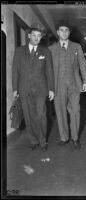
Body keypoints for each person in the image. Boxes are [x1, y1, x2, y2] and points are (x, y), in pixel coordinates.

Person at [12, 23, 54, 151]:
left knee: (41, 114)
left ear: (41, 38)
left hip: (41, 89)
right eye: (34, 35)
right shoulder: (19, 51)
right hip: (24, 88)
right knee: (29, 116)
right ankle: (33, 140)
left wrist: (51, 89)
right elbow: (15, 71)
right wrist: (15, 88)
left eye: (39, 36)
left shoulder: (45, 51)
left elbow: (49, 71)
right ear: (29, 35)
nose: (36, 38)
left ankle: (42, 141)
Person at [49, 20, 86, 149]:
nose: (64, 32)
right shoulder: (51, 49)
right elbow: (48, 70)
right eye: (62, 30)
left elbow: (83, 65)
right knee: (60, 112)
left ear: (69, 32)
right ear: (57, 32)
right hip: (57, 85)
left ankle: (75, 138)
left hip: (74, 84)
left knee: (75, 111)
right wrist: (49, 88)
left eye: (66, 30)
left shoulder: (76, 46)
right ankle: (64, 137)